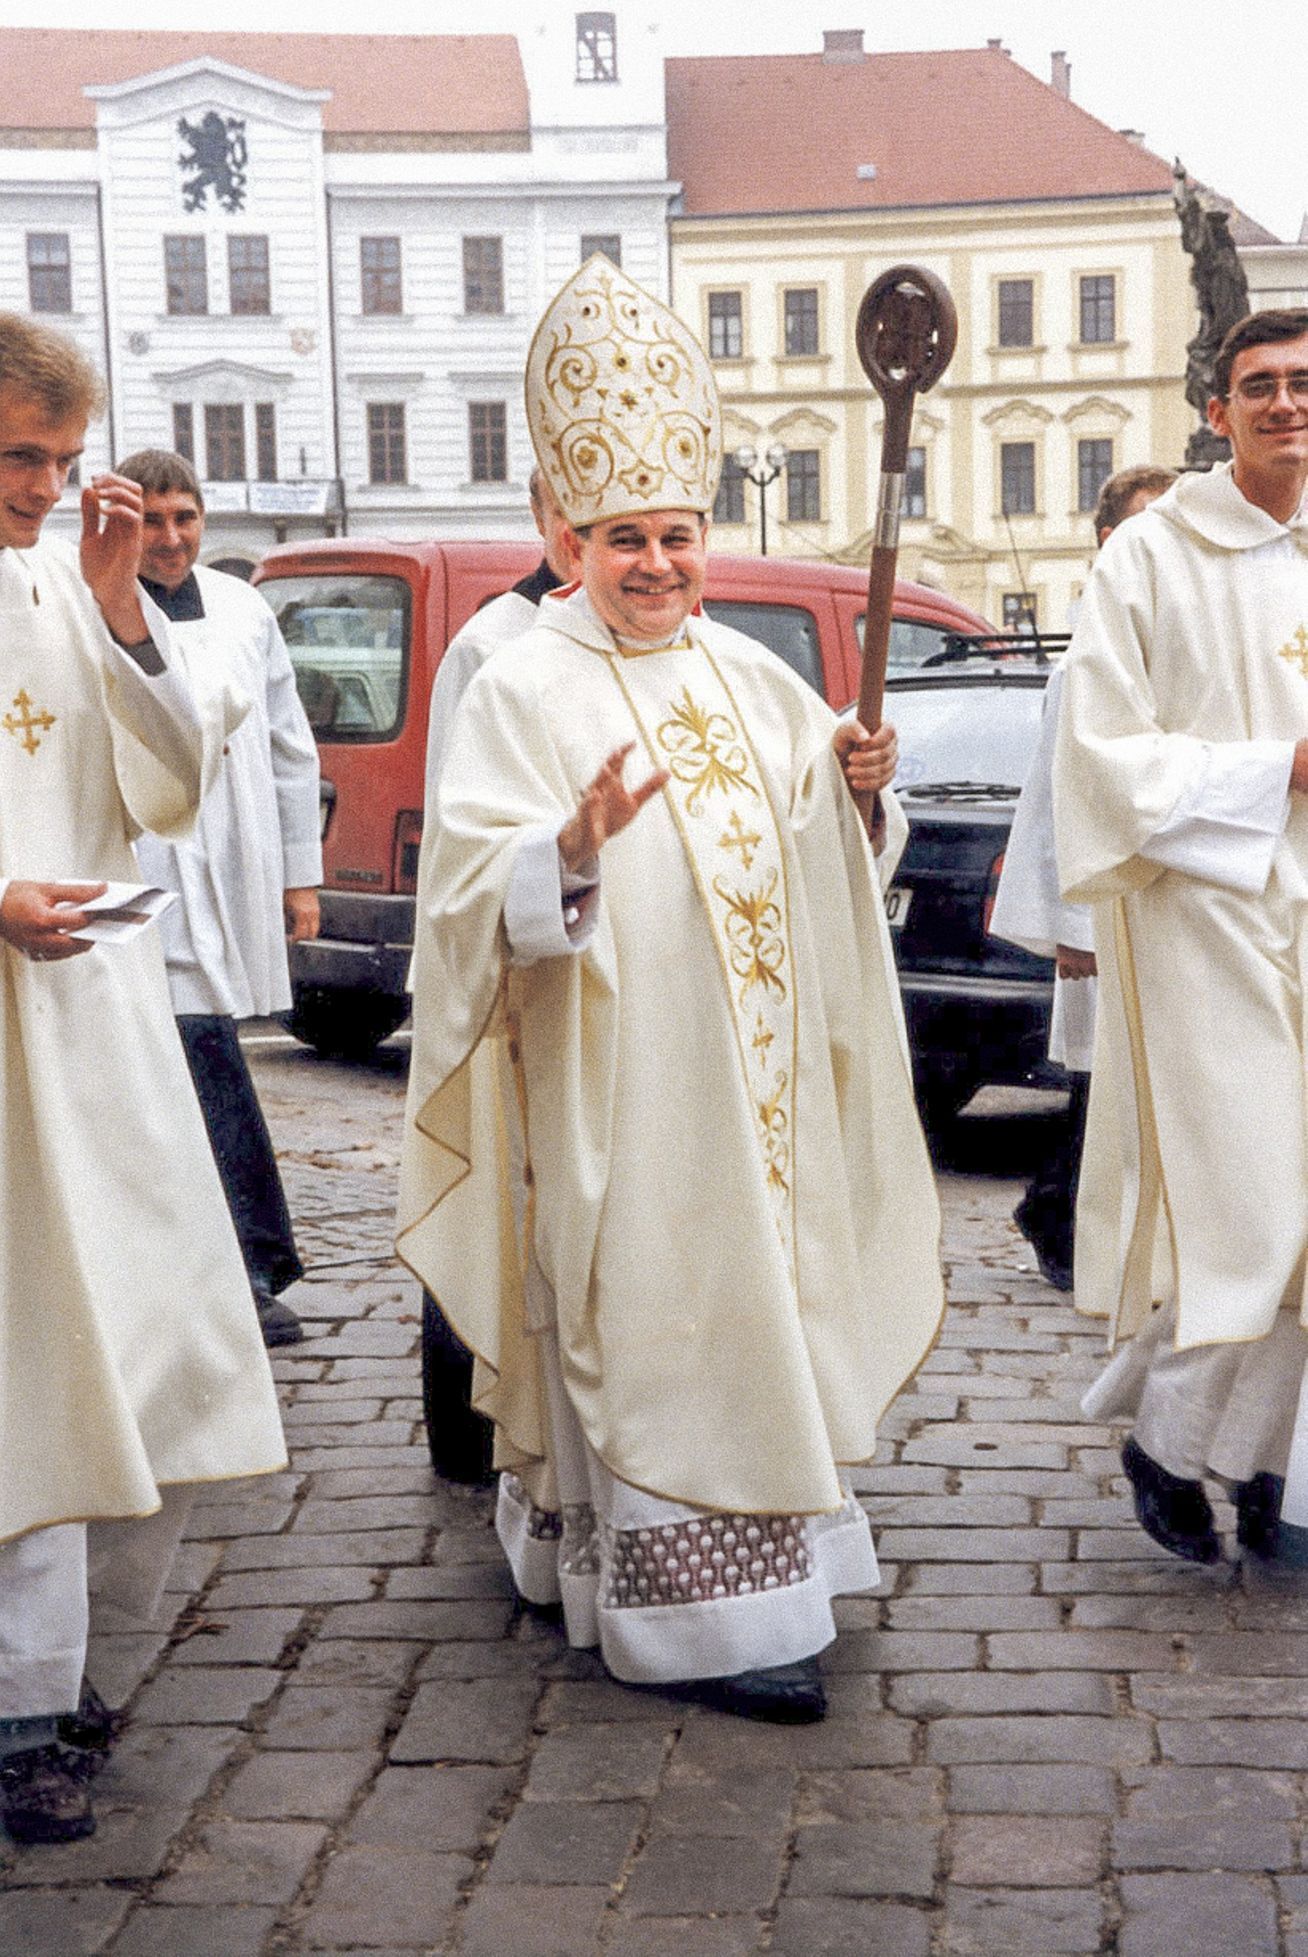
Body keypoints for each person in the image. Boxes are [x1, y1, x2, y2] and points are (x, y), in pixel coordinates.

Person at [398, 258, 944, 1721]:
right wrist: (561, 856)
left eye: (680, 537)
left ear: (711, 538)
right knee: (644, 1317)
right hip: (622, 1095)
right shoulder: (522, 683)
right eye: (626, 538)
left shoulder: (756, 681)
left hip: (754, 1097)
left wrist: (858, 793)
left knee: (763, 1305)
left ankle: (783, 1566)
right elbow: (463, 902)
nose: (655, 565)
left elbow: (832, 854)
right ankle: (683, 1619)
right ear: (572, 538)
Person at [0, 317, 286, 1845]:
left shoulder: (68, 578)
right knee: (20, 1373)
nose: (45, 488)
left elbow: (170, 779)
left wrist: (119, 617)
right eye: (16, 457)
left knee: (151, 1345)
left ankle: (85, 1680)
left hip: (95, 1036)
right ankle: (22, 1710)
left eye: (59, 456)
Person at [1053, 309, 1308, 1565]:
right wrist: (1280, 770)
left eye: (1303, 383)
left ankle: (1264, 1465)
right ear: (1216, 411)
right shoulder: (1150, 556)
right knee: (1251, 1198)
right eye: (1257, 386)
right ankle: (1166, 1431)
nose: (1283, 404)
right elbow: (1102, 755)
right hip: (1210, 903)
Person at [120, 449, 323, 1350]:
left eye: (185, 518)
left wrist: (298, 872)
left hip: (228, 859)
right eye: (153, 520)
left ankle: (243, 1265)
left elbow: (288, 745)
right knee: (191, 1058)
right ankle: (245, 1264)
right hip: (143, 869)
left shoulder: (243, 607)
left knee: (207, 1048)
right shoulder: (96, 610)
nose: (170, 539)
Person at [420, 465, 571, 1479]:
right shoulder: (491, 643)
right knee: (493, 1200)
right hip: (507, 968)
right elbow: (456, 829)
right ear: (543, 515)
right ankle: (466, 1431)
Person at [989, 465, 1175, 1290]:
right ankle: (1057, 1214)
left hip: (1162, 907)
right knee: (1100, 1086)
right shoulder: (1083, 664)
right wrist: (1069, 928)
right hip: (1101, 910)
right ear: (1110, 542)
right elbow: (1058, 805)